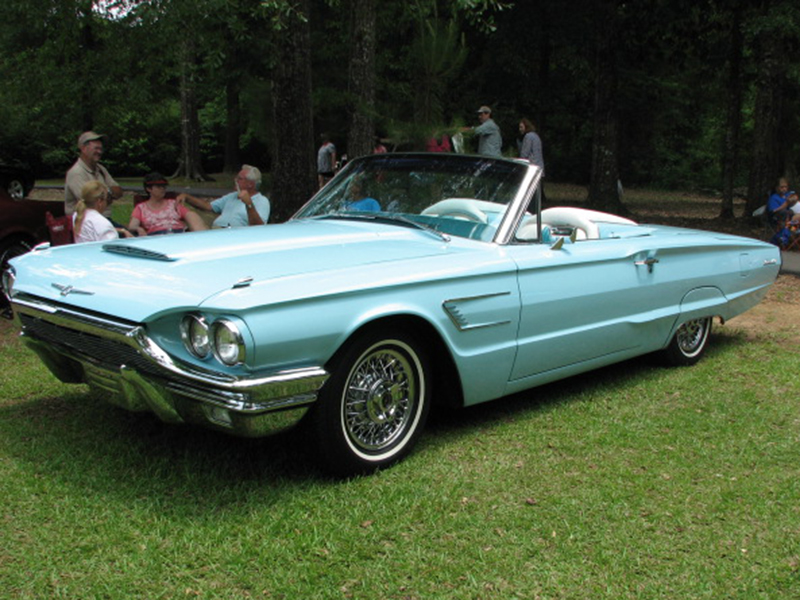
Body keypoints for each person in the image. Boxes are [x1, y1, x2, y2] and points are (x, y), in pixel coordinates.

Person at [177, 165, 270, 228]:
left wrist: (249, 204)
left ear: (250, 184)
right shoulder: (232, 196)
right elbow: (208, 206)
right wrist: (187, 197)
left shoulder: (261, 201)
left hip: (235, 238)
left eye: (239, 178)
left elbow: (258, 227)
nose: (235, 180)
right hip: (217, 232)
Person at [65, 131, 123, 217]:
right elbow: (91, 202)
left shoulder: (101, 169)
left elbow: (119, 191)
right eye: (96, 148)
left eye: (101, 149)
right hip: (85, 223)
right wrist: (109, 193)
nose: (99, 152)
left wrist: (104, 194)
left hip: (103, 220)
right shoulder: (76, 173)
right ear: (83, 148)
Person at [128, 173, 207, 236]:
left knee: (192, 215)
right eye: (159, 187)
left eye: (164, 186)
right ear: (149, 189)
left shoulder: (173, 203)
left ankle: (204, 239)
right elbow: (132, 226)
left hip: (179, 235)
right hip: (156, 238)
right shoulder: (141, 208)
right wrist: (139, 229)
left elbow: (191, 215)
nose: (162, 189)